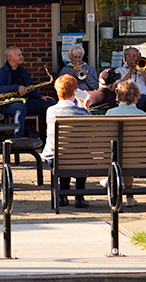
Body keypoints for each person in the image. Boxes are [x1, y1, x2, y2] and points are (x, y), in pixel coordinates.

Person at [40, 75, 92, 208]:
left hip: (54, 158)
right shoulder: (81, 112)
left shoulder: (50, 111)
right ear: (75, 92)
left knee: (63, 152)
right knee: (79, 154)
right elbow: (91, 130)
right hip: (79, 159)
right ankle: (79, 197)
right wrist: (85, 107)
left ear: (57, 91)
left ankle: (62, 195)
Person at [0, 46, 54, 138]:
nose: (22, 56)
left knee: (51, 103)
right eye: (19, 55)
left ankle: (48, 135)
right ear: (10, 57)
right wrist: (16, 88)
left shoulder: (23, 71)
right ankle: (18, 137)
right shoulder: (1, 72)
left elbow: (30, 88)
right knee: (20, 108)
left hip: (27, 101)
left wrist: (40, 97)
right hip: (10, 104)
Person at [106, 81, 145, 207]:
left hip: (113, 156)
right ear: (136, 96)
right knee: (129, 156)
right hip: (138, 158)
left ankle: (110, 184)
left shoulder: (110, 113)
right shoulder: (142, 115)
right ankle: (129, 196)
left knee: (121, 156)